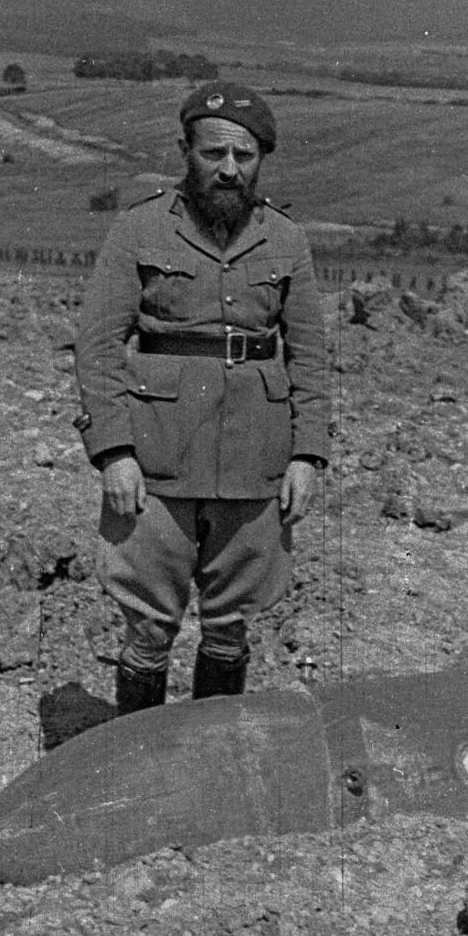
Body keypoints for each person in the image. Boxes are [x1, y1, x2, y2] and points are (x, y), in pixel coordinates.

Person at [73, 81, 330, 714]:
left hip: (255, 459)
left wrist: (307, 455)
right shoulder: (139, 231)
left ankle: (214, 756)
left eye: (244, 158)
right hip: (155, 460)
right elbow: (99, 347)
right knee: (149, 624)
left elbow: (312, 357)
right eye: (214, 154)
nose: (229, 170)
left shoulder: (286, 240)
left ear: (260, 161)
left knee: (232, 622)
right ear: (186, 150)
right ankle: (137, 758)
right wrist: (113, 451)